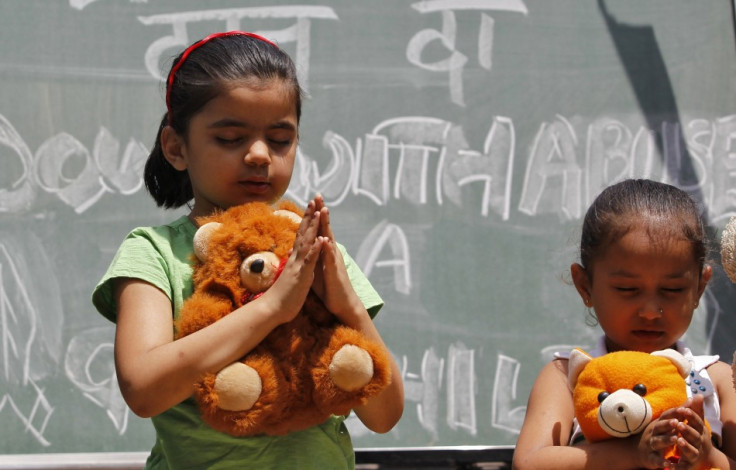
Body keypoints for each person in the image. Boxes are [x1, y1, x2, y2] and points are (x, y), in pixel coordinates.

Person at [92, 31, 403, 469]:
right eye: (231, 138)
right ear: (176, 147)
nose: (259, 155)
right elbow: (143, 390)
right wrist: (273, 307)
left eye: (280, 139)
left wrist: (347, 306)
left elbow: (384, 415)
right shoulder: (153, 252)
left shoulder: (314, 251)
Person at [513, 179, 736, 469]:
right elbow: (529, 462)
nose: (650, 311)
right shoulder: (567, 376)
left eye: (672, 290)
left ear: (699, 288)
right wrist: (633, 453)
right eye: (627, 290)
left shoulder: (716, 380)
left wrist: (709, 456)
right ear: (585, 286)